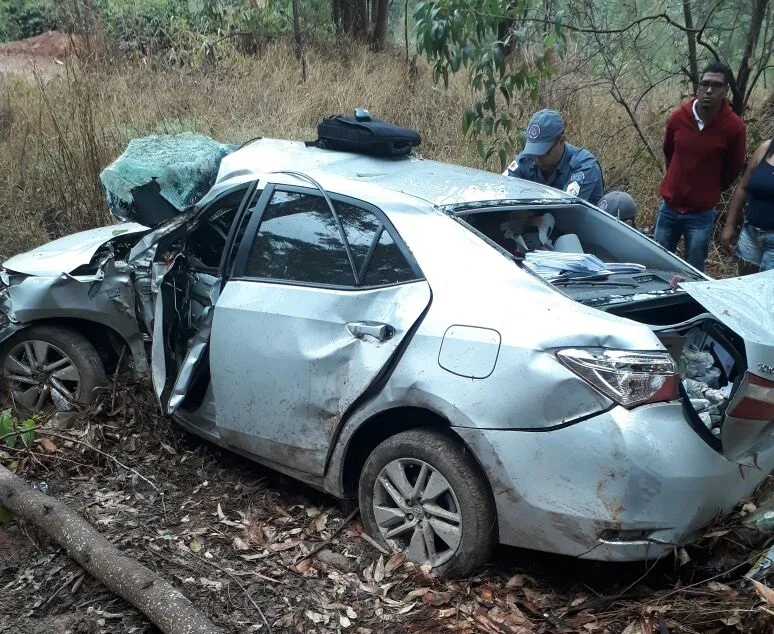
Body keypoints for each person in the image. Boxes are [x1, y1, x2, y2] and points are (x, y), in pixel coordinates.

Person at [653, 61, 746, 272]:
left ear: (726, 90)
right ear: (698, 87)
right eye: (705, 84)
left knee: (693, 270)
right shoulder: (678, 118)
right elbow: (669, 152)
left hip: (701, 213)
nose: (709, 90)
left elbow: (732, 168)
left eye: (716, 85)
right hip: (670, 207)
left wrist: (708, 190)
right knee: (657, 264)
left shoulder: (733, 127)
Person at [504, 109, 604, 205]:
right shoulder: (526, 159)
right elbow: (502, 188)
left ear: (562, 141)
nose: (537, 159)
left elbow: (565, 210)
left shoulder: (583, 165)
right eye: (533, 152)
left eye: (543, 152)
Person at [721, 139, 774, 273]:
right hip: (751, 235)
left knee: (768, 291)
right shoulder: (765, 149)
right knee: (742, 288)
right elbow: (743, 188)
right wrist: (729, 225)